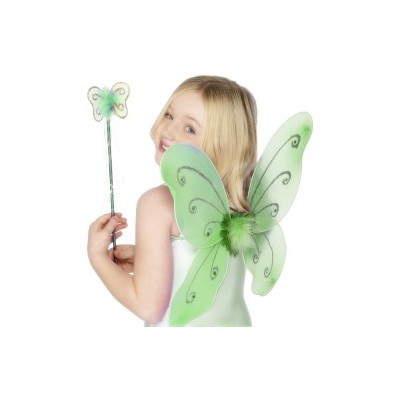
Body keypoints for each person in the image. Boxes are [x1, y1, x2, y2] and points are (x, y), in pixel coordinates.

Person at [87, 75, 258, 326]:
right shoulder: (240, 201)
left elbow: (148, 307)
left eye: (190, 129)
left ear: (223, 147)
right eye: (169, 115)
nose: (168, 130)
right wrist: (145, 258)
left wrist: (98, 258)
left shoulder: (158, 204)